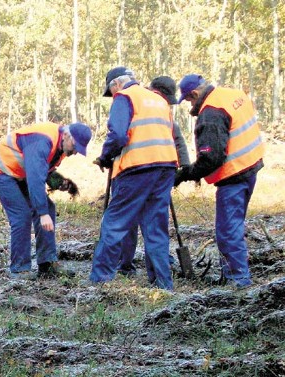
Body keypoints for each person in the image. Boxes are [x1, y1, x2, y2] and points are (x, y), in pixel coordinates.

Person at [89, 66, 178, 290]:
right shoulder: (159, 99)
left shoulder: (125, 96)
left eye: (111, 92)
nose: (112, 97)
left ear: (115, 85)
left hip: (137, 168)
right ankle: (162, 285)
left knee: (114, 223)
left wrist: (105, 156)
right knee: (155, 227)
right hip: (166, 166)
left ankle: (100, 280)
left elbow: (118, 134)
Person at [174, 74, 264, 288]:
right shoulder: (233, 94)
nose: (190, 106)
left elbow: (211, 158)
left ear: (195, 94)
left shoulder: (211, 113)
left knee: (228, 231)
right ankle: (237, 274)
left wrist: (185, 174)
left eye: (189, 101)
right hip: (251, 167)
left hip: (233, 176)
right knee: (234, 227)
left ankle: (238, 280)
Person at [0, 122, 92, 280]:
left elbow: (44, 168)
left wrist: (58, 181)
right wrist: (42, 213)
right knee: (22, 215)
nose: (76, 152)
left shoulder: (61, 145)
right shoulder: (42, 141)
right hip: (1, 170)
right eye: (75, 147)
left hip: (22, 172)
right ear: (67, 136)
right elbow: (35, 178)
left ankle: (47, 264)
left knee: (48, 208)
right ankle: (19, 269)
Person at [117, 76, 191, 283]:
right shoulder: (134, 104)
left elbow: (177, 138)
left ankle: (157, 272)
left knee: (152, 224)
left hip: (157, 171)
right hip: (134, 171)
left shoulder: (159, 109)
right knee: (135, 223)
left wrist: (183, 169)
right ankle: (126, 265)